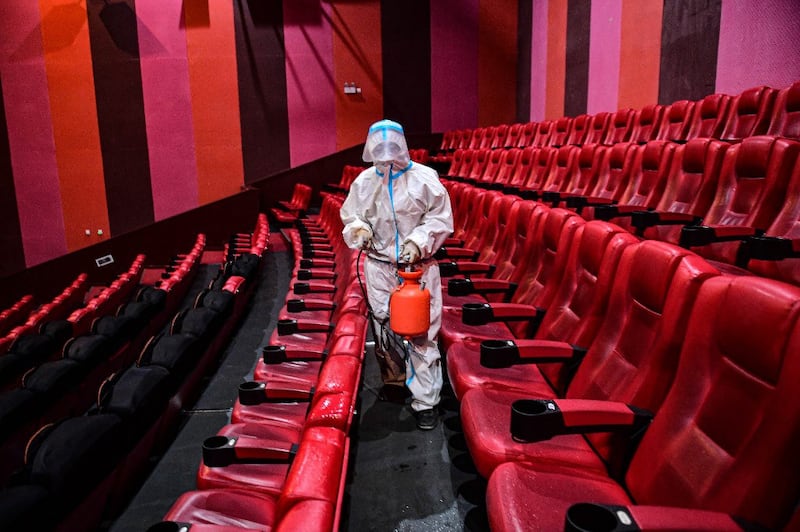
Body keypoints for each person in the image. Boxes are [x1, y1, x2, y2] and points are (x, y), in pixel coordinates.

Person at [340, 119, 454, 430]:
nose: (386, 151)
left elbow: (440, 219)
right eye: (379, 146)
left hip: (416, 270)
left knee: (421, 334)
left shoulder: (424, 179)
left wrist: (419, 241)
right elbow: (351, 216)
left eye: (392, 145)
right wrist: (359, 229)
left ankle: (425, 401)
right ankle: (395, 380)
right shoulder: (364, 183)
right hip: (378, 266)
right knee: (384, 326)